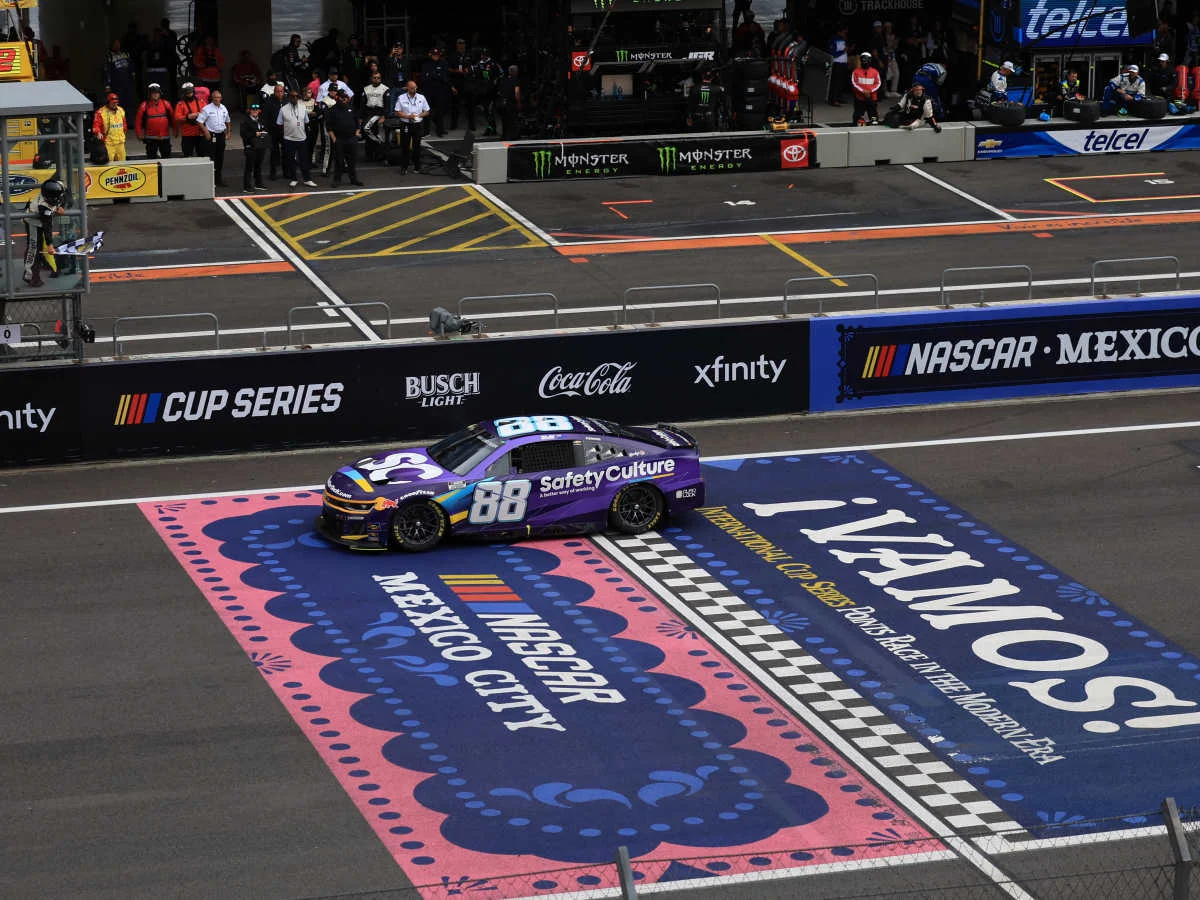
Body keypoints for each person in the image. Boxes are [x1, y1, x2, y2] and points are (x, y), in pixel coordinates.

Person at [22, 178, 65, 288]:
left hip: (41, 222)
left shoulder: (57, 188)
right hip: (33, 223)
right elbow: (47, 226)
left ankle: (42, 264)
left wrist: (59, 207)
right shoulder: (43, 206)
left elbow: (61, 200)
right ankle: (30, 276)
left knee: (39, 247)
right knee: (33, 248)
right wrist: (50, 245)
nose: (56, 199)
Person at [278, 87, 318, 188]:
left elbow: (306, 121)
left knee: (304, 160)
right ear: (289, 97)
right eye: (292, 96)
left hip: (302, 138)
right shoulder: (283, 109)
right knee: (291, 160)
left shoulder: (303, 107)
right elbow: (279, 123)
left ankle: (307, 179)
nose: (295, 98)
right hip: (289, 139)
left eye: (296, 96)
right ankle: (293, 179)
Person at [326, 90, 364, 187]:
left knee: (352, 160)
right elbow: (329, 126)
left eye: (345, 97)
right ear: (337, 98)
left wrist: (356, 135)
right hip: (339, 139)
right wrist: (334, 139)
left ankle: (354, 179)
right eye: (342, 97)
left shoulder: (351, 108)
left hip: (352, 138)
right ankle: (337, 180)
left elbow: (357, 123)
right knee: (339, 161)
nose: (344, 99)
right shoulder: (332, 110)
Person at [393, 80, 430, 174]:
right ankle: (404, 167)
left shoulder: (421, 97)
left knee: (416, 146)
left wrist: (419, 115)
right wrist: (408, 116)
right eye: (412, 88)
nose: (414, 89)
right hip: (406, 124)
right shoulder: (401, 98)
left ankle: (417, 167)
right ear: (407, 88)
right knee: (405, 146)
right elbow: (397, 112)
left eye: (415, 87)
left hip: (417, 124)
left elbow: (427, 111)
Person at [197, 88, 232, 185]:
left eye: (219, 97)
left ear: (221, 98)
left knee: (220, 157)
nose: (217, 99)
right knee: (211, 157)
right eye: (215, 97)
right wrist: (206, 131)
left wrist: (229, 132)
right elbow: (199, 121)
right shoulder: (207, 109)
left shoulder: (223, 108)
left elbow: (228, 121)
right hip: (211, 135)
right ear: (212, 98)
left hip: (221, 135)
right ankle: (209, 181)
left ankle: (218, 180)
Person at [135, 83, 174, 159]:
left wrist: (175, 130)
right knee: (151, 158)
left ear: (160, 93)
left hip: (164, 137)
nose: (155, 95)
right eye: (153, 93)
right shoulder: (144, 105)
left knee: (167, 157)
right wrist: (138, 134)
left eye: (157, 93)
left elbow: (173, 118)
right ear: (150, 94)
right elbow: (138, 121)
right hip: (151, 138)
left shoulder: (166, 104)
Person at [360, 70, 391, 160]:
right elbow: (362, 104)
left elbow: (387, 105)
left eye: (378, 78)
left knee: (377, 132)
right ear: (371, 78)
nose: (376, 79)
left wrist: (384, 116)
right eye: (375, 78)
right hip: (368, 112)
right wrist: (361, 117)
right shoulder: (366, 89)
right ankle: (369, 155)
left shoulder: (385, 89)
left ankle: (379, 154)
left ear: (380, 79)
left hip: (379, 112)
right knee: (368, 134)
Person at [421, 46, 452, 137]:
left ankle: (440, 130)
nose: (435, 56)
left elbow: (444, 76)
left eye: (437, 55)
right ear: (431, 55)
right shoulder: (426, 64)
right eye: (434, 55)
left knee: (440, 110)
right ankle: (426, 131)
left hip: (440, 90)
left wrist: (433, 75)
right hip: (429, 90)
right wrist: (436, 75)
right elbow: (425, 77)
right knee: (427, 110)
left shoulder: (443, 63)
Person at [240, 101, 270, 192]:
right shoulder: (245, 121)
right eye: (253, 110)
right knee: (249, 167)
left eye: (256, 110)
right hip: (250, 146)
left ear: (259, 111)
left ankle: (258, 184)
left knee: (258, 166)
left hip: (260, 146)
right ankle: (247, 187)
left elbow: (266, 129)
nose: (255, 111)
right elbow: (243, 134)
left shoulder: (261, 120)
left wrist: (264, 133)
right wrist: (254, 134)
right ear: (249, 111)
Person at [104, 39, 137, 118]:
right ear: (112, 46)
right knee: (118, 102)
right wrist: (107, 85)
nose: (117, 46)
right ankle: (119, 119)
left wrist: (133, 77)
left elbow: (131, 67)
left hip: (127, 83)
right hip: (117, 85)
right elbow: (106, 72)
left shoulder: (126, 54)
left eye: (118, 44)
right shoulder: (109, 57)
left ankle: (129, 120)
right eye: (115, 44)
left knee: (129, 102)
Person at [93, 92, 129, 161]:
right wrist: (98, 132)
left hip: (120, 143)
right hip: (108, 144)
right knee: (109, 163)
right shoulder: (101, 112)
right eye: (113, 103)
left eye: (116, 103)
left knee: (122, 163)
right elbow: (96, 125)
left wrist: (123, 134)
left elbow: (124, 124)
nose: (115, 105)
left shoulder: (120, 110)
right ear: (108, 102)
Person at [175, 82, 207, 158]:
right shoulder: (180, 104)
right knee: (187, 156)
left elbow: (208, 115)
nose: (189, 94)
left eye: (190, 92)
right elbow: (177, 117)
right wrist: (187, 117)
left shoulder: (201, 102)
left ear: (193, 91)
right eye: (187, 92)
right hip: (187, 134)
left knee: (202, 155)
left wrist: (199, 115)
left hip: (200, 133)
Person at [262, 82, 286, 179]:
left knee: (286, 152)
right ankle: (273, 173)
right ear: (274, 92)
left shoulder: (286, 101)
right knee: (274, 153)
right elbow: (264, 117)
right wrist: (266, 130)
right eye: (277, 91)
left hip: (285, 131)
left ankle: (286, 171)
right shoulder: (269, 102)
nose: (279, 93)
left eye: (281, 91)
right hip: (273, 131)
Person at [851, 52, 882, 125]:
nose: (865, 62)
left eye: (867, 60)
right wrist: (863, 91)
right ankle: (857, 125)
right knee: (858, 115)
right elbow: (854, 83)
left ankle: (874, 124)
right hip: (860, 98)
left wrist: (870, 91)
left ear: (870, 61)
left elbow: (878, 83)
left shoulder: (875, 72)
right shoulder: (856, 72)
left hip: (872, 97)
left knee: (873, 114)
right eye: (863, 60)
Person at [448, 38, 471, 130]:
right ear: (457, 45)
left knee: (470, 104)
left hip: (467, 82)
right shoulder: (452, 56)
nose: (461, 45)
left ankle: (472, 124)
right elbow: (448, 69)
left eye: (463, 43)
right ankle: (454, 124)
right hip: (456, 82)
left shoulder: (469, 55)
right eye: (459, 43)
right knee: (455, 105)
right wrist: (457, 71)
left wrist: (469, 70)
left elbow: (475, 66)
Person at [496, 64, 521, 141]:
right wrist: (518, 103)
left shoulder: (503, 79)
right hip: (511, 103)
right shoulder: (516, 80)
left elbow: (499, 91)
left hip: (502, 102)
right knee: (512, 120)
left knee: (504, 120)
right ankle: (512, 135)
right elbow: (516, 92)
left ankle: (504, 135)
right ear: (516, 72)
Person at [827, 24, 849, 106]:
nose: (845, 34)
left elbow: (845, 51)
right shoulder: (833, 39)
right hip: (837, 63)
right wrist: (843, 51)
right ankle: (833, 100)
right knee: (836, 82)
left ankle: (839, 98)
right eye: (844, 32)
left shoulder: (844, 39)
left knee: (842, 82)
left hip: (844, 63)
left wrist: (848, 49)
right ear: (839, 32)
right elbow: (834, 53)